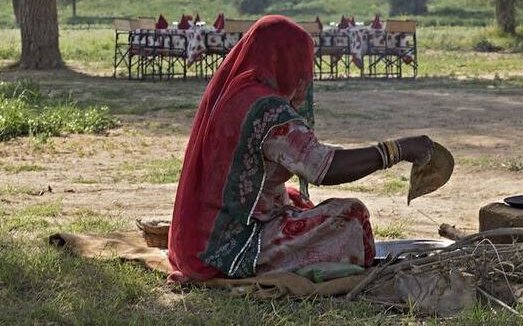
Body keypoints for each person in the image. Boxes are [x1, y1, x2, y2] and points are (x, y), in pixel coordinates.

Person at [167, 15, 433, 281]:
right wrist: (396, 150)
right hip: (235, 246)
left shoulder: (236, 93)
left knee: (295, 199)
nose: (305, 76)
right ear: (284, 60)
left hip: (203, 234)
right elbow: (322, 168)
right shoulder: (266, 109)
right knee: (352, 215)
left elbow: (301, 151)